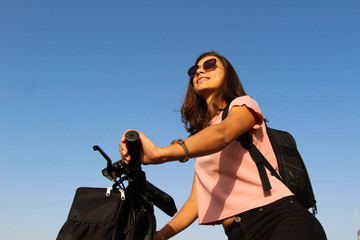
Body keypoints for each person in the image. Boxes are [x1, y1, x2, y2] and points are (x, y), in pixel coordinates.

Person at [119, 51, 327, 240]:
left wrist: (160, 154)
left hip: (280, 219)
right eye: (194, 70)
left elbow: (224, 133)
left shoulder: (243, 105)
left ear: (228, 75)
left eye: (209, 65)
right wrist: (161, 235)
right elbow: (196, 201)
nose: (199, 70)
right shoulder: (203, 139)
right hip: (239, 232)